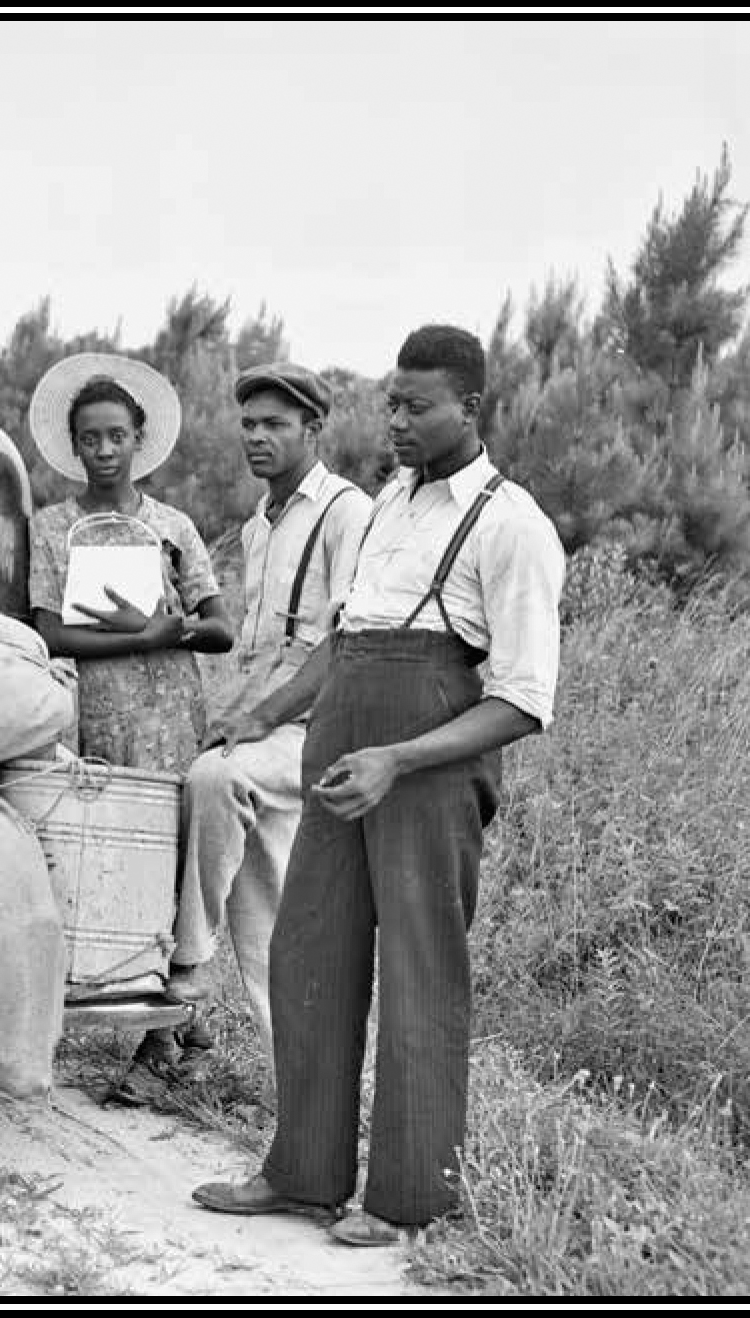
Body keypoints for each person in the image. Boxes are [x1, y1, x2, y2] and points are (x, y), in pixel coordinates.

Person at [194, 326, 565, 1246]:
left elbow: (522, 699)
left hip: (427, 766)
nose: (393, 421)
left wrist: (400, 758)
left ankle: (409, 1200)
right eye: (389, 402)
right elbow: (345, 639)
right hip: (340, 745)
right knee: (307, 951)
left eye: (416, 406)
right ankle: (305, 1174)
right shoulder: (390, 501)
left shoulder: (511, 525)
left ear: (470, 408)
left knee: (418, 971)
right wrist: (267, 713)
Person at [24, 353, 234, 1107]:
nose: (104, 449)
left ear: (140, 439)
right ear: (73, 447)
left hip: (171, 712)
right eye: (90, 438)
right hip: (93, 714)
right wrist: (143, 636)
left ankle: (162, 1033)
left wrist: (169, 631)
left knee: (174, 861)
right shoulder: (51, 528)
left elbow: (218, 628)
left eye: (116, 435)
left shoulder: (171, 526)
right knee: (103, 859)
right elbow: (48, 631)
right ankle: (145, 1010)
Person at [165, 363, 372, 1065]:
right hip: (263, 712)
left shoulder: (347, 512)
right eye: (248, 424)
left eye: (275, 425)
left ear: (313, 430)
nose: (257, 437)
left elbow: (344, 642)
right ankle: (308, 1086)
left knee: (216, 782)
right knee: (269, 920)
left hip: (316, 723)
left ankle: (186, 963)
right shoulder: (261, 522)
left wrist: (259, 720)